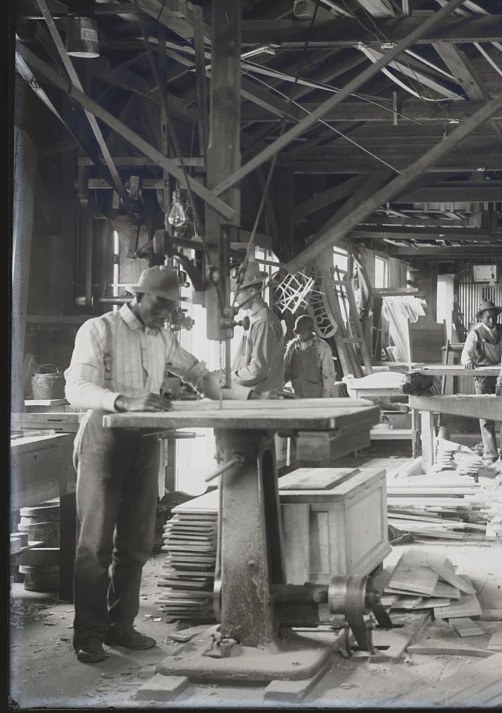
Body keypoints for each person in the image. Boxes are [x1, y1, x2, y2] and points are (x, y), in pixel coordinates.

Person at [63, 266, 281, 664]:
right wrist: (124, 401)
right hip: (104, 441)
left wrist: (246, 401)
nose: (167, 313)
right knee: (93, 547)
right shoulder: (100, 329)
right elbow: (75, 388)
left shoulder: (162, 336)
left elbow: (198, 373)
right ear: (139, 296)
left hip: (145, 442)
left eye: (172, 306)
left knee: (135, 543)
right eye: (161, 304)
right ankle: (89, 635)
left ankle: (121, 626)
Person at [460, 302, 502, 463]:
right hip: (483, 378)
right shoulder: (475, 334)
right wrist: (467, 361)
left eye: (494, 317)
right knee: (485, 415)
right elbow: (466, 352)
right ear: (481, 318)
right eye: (488, 317)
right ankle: (490, 453)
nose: (492, 320)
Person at [231, 262, 286, 395]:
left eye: (237, 293)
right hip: (254, 394)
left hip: (262, 397)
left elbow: (257, 370)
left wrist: (230, 378)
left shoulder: (264, 322)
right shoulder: (254, 319)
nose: (235, 299)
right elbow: (246, 360)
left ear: (251, 291)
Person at [283, 314, 338, 398]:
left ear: (311, 330)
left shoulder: (322, 347)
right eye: (298, 333)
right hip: (297, 396)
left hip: (316, 396)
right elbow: (285, 370)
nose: (300, 336)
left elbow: (328, 376)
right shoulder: (292, 346)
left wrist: (326, 398)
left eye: (303, 333)